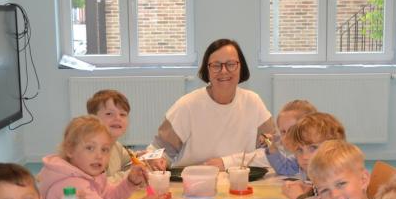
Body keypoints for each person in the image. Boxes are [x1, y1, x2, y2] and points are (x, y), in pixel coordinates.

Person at [149, 38, 276, 169]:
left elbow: (275, 152)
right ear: (207, 71)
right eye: (216, 65)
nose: (224, 71)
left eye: (231, 64)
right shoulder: (187, 105)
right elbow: (157, 150)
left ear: (241, 68)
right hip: (193, 179)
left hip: (240, 179)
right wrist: (156, 160)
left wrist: (227, 162)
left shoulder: (253, 102)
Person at [39, 116, 166, 199]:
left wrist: (130, 183)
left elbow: (109, 198)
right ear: (70, 150)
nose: (99, 156)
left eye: (104, 149)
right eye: (90, 148)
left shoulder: (92, 175)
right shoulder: (71, 183)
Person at [216, 99, 318, 174]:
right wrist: (272, 147)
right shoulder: (298, 155)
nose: (287, 137)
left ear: (311, 128)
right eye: (283, 131)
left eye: (292, 130)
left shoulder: (321, 153)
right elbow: (285, 168)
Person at [280, 112, 346, 199]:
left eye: (313, 148)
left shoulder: (342, 179)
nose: (305, 157)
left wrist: (298, 198)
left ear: (334, 147)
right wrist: (310, 190)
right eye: (299, 149)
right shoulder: (322, 176)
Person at [86, 89, 135, 183]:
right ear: (92, 118)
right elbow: (97, 185)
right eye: (109, 114)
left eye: (122, 114)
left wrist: (147, 159)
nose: (118, 118)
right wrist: (131, 175)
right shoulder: (89, 149)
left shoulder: (116, 146)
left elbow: (130, 162)